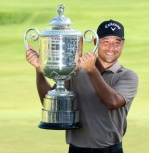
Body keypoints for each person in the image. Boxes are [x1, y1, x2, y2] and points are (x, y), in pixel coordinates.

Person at [26, 19, 139, 153]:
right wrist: (40, 70)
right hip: (76, 150)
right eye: (106, 42)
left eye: (117, 43)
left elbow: (113, 102)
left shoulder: (127, 75)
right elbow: (50, 103)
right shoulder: (76, 71)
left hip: (109, 150)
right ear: (96, 42)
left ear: (122, 45)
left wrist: (91, 70)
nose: (111, 48)